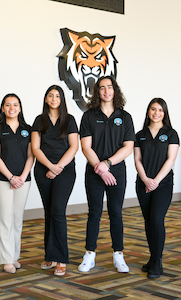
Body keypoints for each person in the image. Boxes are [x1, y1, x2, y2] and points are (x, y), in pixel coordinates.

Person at [78, 75, 135, 273]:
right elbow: (86, 147)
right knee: (94, 213)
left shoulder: (125, 117)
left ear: (115, 90)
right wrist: (101, 169)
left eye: (109, 87)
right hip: (94, 171)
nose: (106, 91)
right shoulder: (88, 116)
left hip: (117, 170)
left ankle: (118, 255)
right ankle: (90, 254)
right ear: (97, 92)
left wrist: (108, 164)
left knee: (116, 213)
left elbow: (128, 147)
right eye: (102, 88)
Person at [31, 85, 79, 276]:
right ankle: (50, 255)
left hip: (65, 170)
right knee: (49, 212)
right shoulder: (39, 120)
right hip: (43, 170)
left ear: (62, 99)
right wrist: (50, 167)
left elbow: (74, 147)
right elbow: (36, 148)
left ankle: (61, 259)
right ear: (45, 99)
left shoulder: (70, 120)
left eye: (57, 96)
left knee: (58, 211)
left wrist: (58, 167)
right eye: (50, 95)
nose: (53, 98)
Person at [0, 94, 34, 274]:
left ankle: (14, 256)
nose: (12, 108)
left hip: (24, 179)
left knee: (17, 218)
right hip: (2, 179)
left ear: (20, 108)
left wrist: (22, 176)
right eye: (8, 105)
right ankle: (6, 259)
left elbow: (31, 155)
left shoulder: (27, 129)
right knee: (5, 218)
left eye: (15, 105)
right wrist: (11, 177)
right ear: (3, 108)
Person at [134, 98, 179, 278]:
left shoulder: (171, 133)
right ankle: (152, 257)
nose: (156, 113)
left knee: (156, 219)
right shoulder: (140, 134)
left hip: (163, 184)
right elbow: (137, 159)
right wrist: (146, 179)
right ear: (148, 112)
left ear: (164, 113)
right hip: (143, 184)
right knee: (148, 221)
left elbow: (171, 159)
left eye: (160, 110)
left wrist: (156, 181)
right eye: (153, 109)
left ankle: (158, 262)